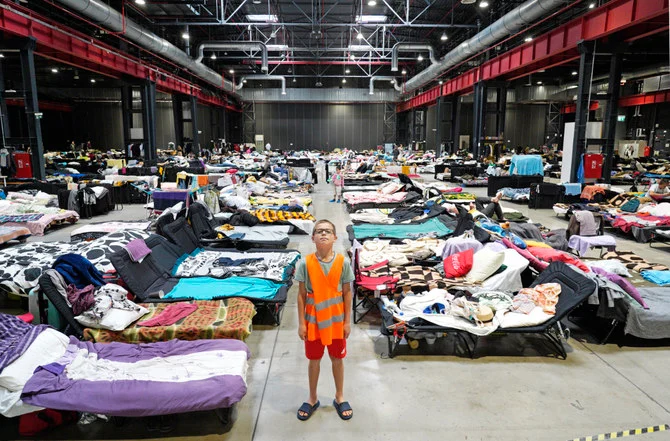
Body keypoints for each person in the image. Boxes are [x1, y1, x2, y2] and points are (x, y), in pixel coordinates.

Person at [296, 220, 354, 421]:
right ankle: (312, 398)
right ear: (312, 238)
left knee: (337, 359)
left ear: (335, 237)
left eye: (328, 231)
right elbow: (301, 294)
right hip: (313, 320)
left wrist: (347, 321)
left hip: (336, 320)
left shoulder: (343, 262)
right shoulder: (305, 263)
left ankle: (339, 396)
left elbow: (347, 293)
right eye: (319, 231)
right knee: (314, 360)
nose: (323, 234)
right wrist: (302, 323)